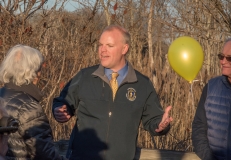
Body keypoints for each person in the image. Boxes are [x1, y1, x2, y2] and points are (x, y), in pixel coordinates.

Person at [52, 25, 173, 160]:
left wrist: (161, 125)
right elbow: (63, 102)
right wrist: (60, 109)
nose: (102, 50)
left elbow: (153, 119)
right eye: (100, 45)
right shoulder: (85, 77)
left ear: (124, 49)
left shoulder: (142, 84)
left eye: (109, 45)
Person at [0, 45, 64, 160]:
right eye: (39, 69)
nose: (40, 74)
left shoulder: (1, 95)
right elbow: (45, 153)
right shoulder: (28, 108)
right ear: (33, 72)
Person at [192, 37, 231, 160]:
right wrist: (208, 157)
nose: (223, 61)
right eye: (221, 56)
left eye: (230, 58)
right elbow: (199, 127)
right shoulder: (211, 87)